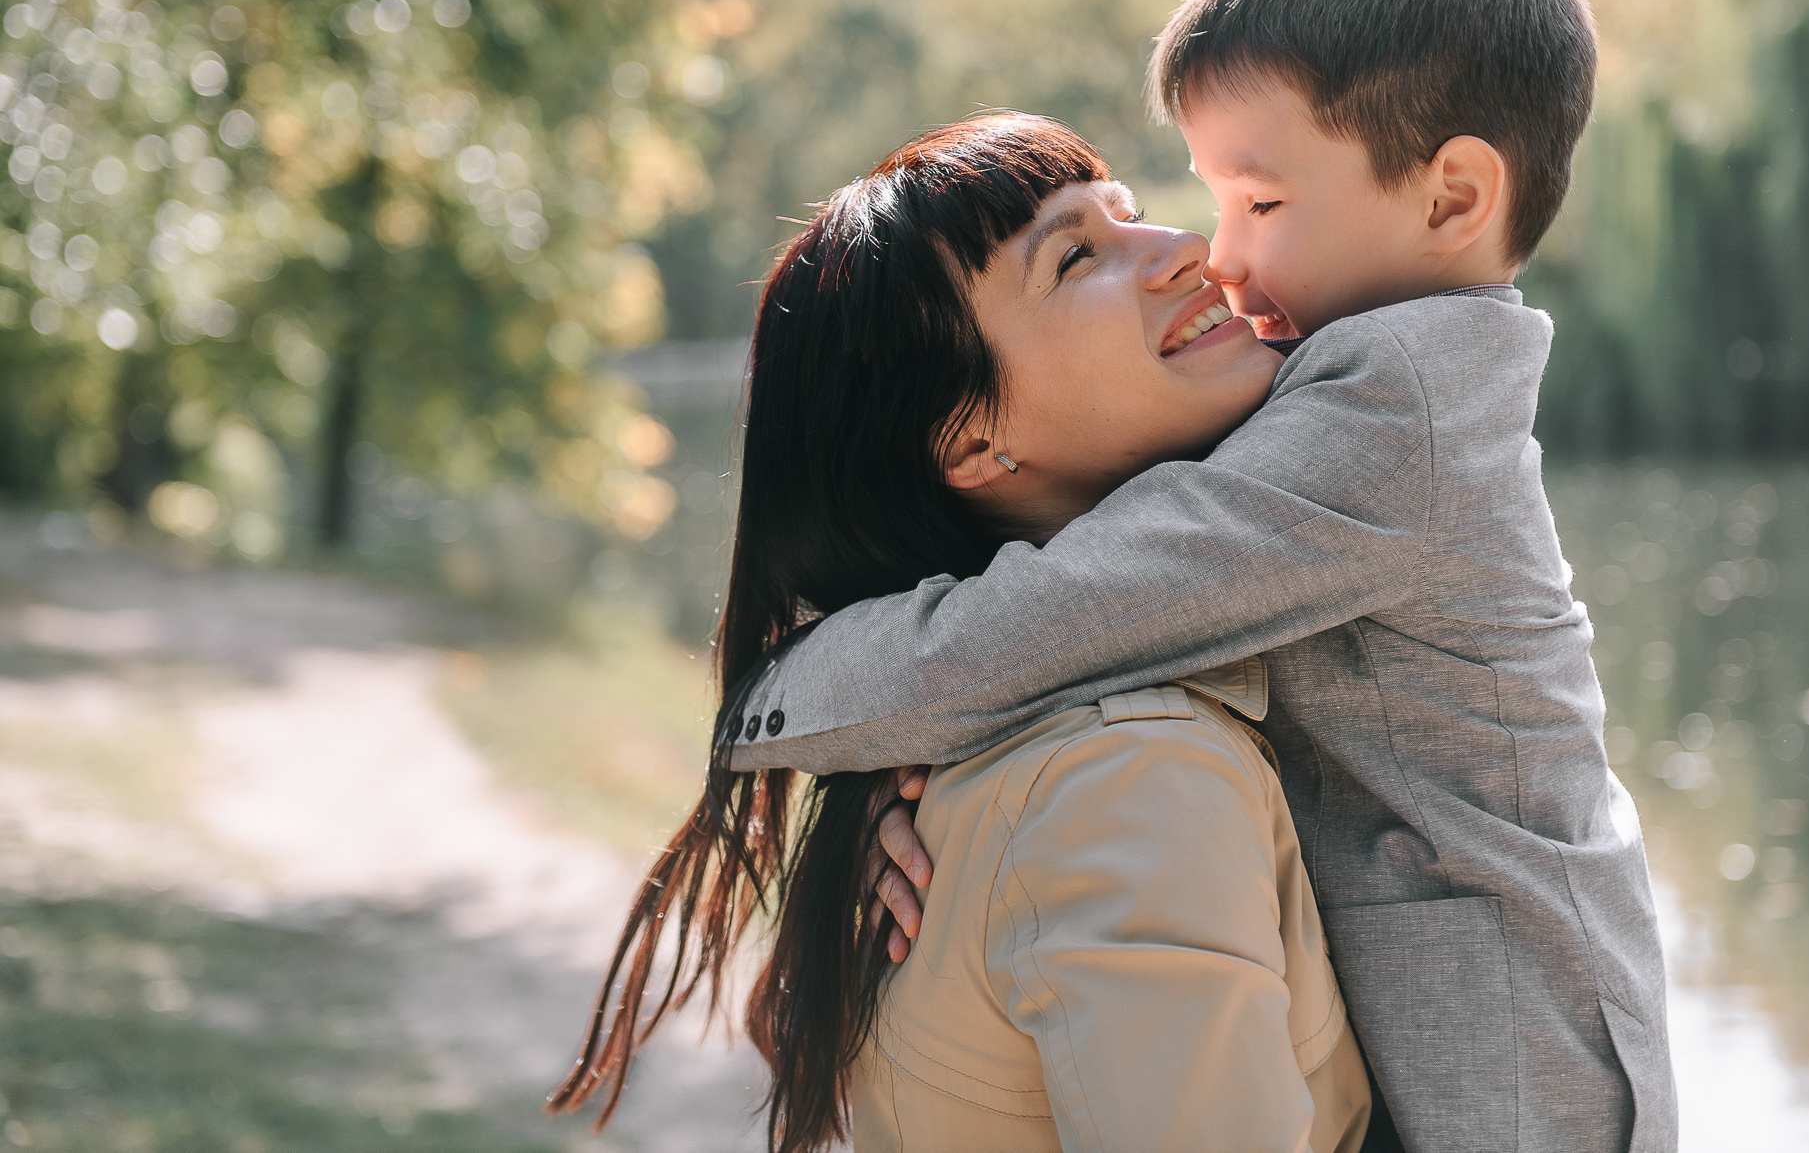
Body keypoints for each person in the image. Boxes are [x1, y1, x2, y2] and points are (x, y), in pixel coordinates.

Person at [723, 0, 1679, 1153]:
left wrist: (792, 701)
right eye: (1082, 253)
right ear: (967, 439)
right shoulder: (1339, 407)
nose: (1205, 252)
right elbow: (1088, 633)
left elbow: (1080, 613)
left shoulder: (1394, 402)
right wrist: (924, 790)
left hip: (1509, 1065)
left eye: (1260, 204)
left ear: (1452, 198)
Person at [549, 114, 1373, 1153]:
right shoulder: (1130, 775)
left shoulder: (972, 762)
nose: (1184, 250)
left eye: (1128, 216)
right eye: (1076, 256)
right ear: (968, 438)